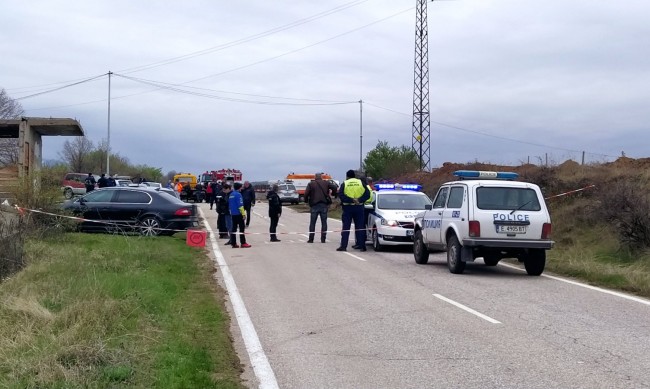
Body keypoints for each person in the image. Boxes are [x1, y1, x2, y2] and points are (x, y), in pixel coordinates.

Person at [337, 170, 370, 252]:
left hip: (348, 208)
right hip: (359, 207)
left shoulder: (345, 183)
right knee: (360, 227)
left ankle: (343, 246)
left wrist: (351, 200)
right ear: (354, 176)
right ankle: (362, 246)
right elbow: (367, 194)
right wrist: (359, 200)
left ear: (347, 176)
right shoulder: (360, 183)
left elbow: (341, 195)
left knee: (346, 227)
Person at [304, 172, 337, 243]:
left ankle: (311, 239)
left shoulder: (311, 184)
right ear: (321, 177)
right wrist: (334, 194)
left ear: (315, 177)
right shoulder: (326, 183)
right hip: (324, 205)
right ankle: (323, 239)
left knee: (312, 223)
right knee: (324, 222)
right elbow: (334, 187)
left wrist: (306, 201)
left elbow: (306, 193)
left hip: (314, 205)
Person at [228, 182, 250, 248]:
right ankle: (243, 243)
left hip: (233, 214)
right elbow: (240, 206)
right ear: (239, 188)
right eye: (241, 187)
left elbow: (229, 205)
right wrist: (243, 214)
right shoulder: (238, 195)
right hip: (238, 214)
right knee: (241, 229)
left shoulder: (231, 194)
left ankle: (233, 243)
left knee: (233, 229)